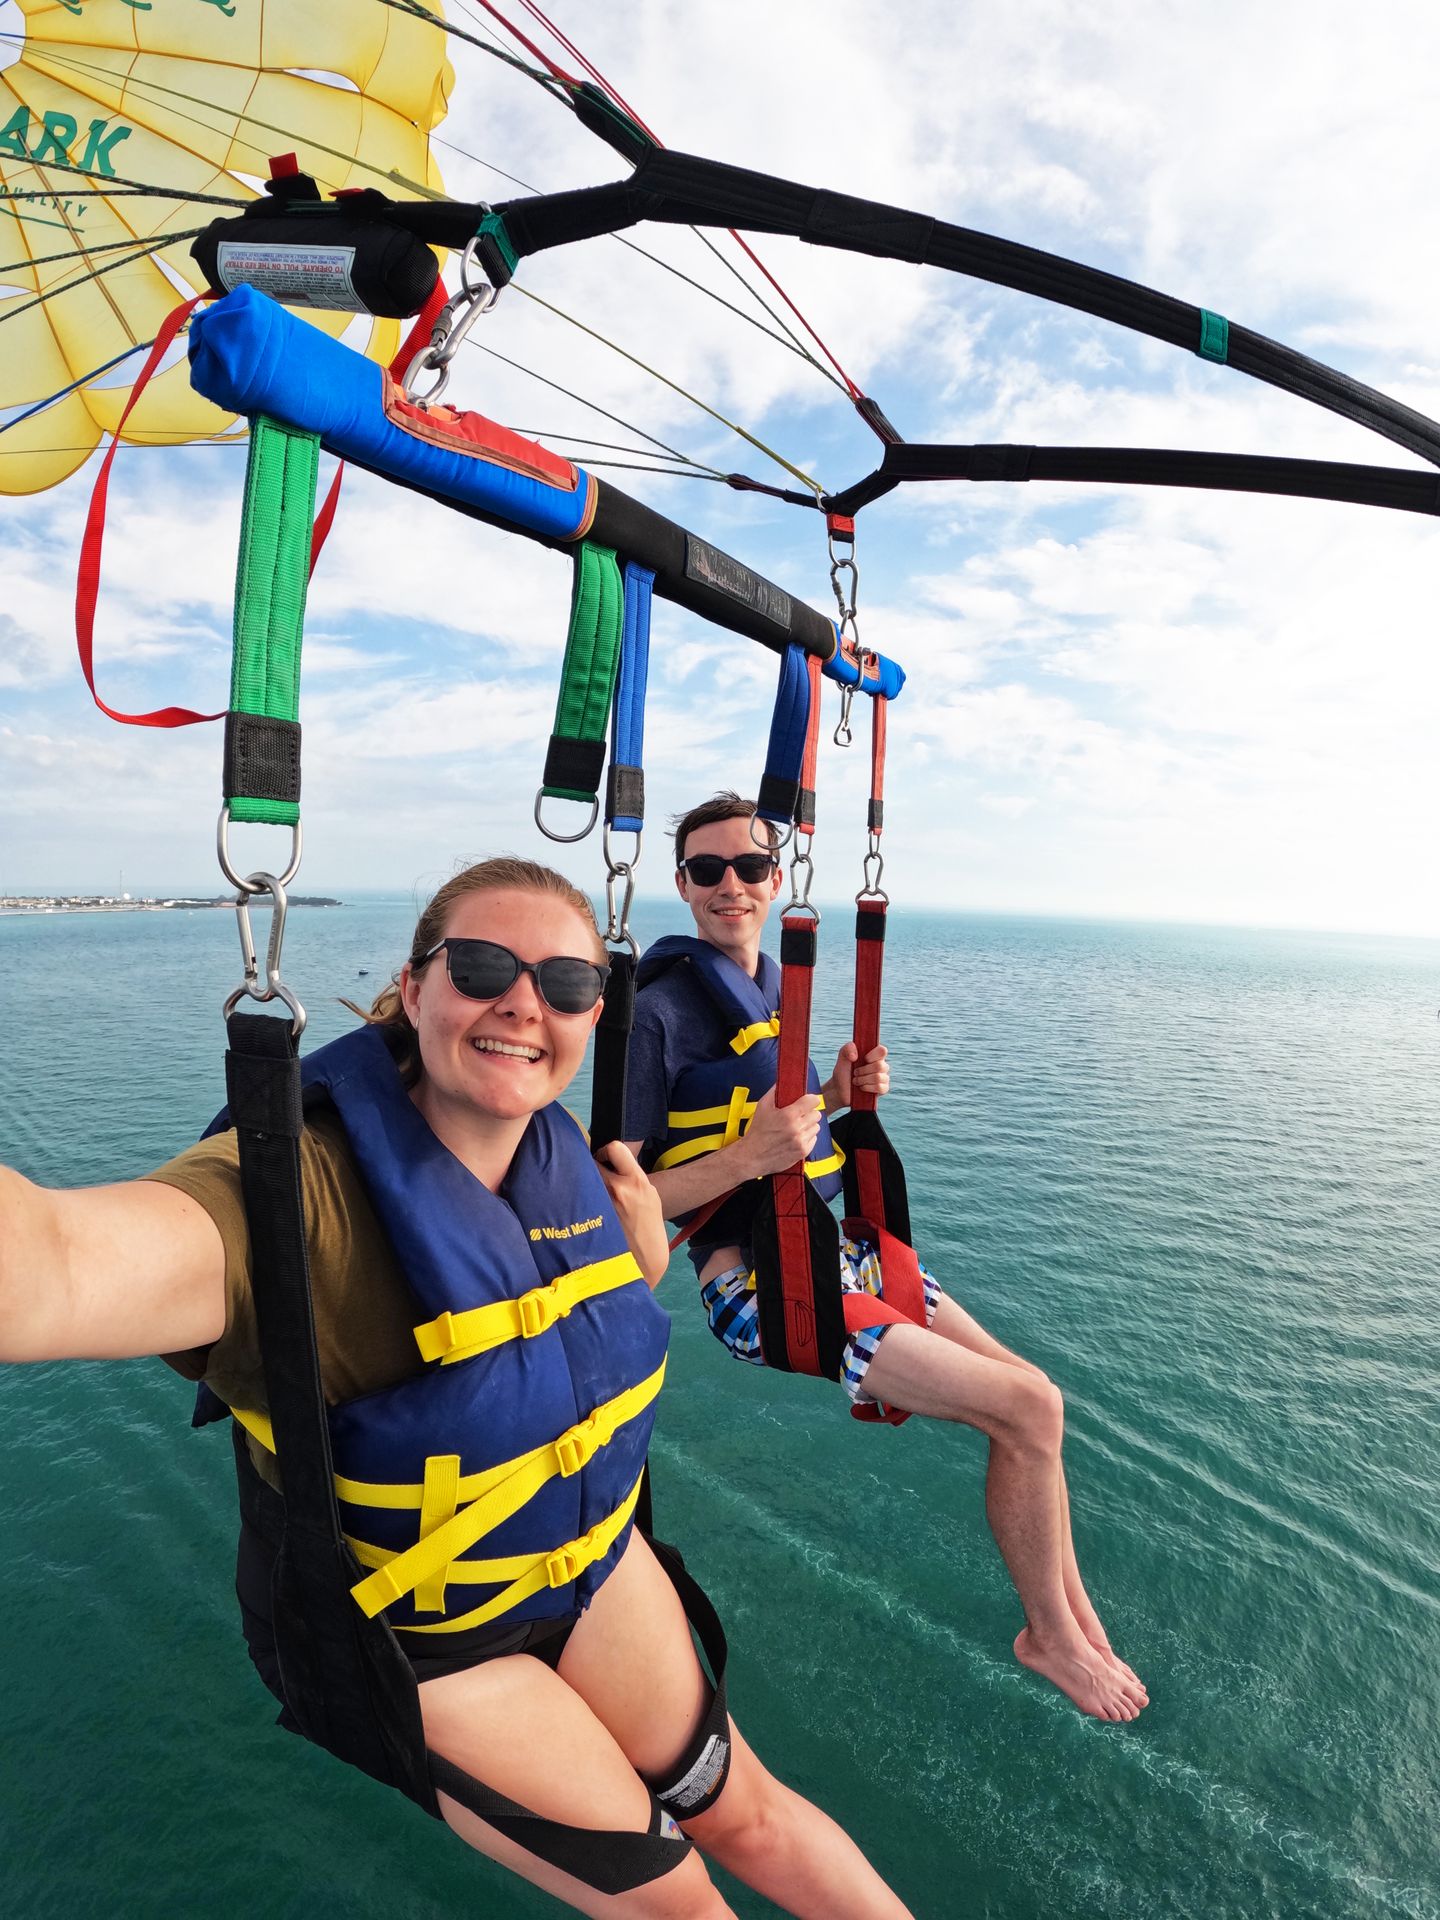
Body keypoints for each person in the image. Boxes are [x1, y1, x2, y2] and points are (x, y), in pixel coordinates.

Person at [0, 857, 915, 1920]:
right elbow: (49, 1268)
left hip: (590, 1568)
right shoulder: (293, 1200)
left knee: (750, 1814)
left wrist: (638, 1267)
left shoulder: (571, 1160)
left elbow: (590, 1305)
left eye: (569, 984)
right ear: (417, 985)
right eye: (483, 966)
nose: (526, 1002)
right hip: (435, 1642)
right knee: (679, 1904)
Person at [624, 797, 1148, 1725]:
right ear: (681, 887)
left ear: (776, 879)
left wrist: (832, 1093)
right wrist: (749, 1154)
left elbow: (786, 1128)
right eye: (707, 871)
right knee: (1029, 1409)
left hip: (842, 1257)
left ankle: (1068, 1612)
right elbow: (610, 1201)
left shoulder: (767, 988)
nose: (730, 886)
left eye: (749, 867)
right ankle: (1047, 1636)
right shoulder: (660, 1015)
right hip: (766, 1287)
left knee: (1031, 1392)